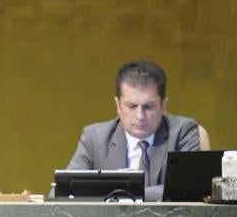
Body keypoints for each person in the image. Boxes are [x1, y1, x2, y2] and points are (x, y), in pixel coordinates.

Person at [66, 60, 200, 201]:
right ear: (118, 105)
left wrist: (118, 192)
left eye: (148, 107)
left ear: (163, 105)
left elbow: (190, 189)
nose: (140, 116)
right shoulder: (94, 138)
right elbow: (63, 191)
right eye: (131, 106)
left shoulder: (183, 132)